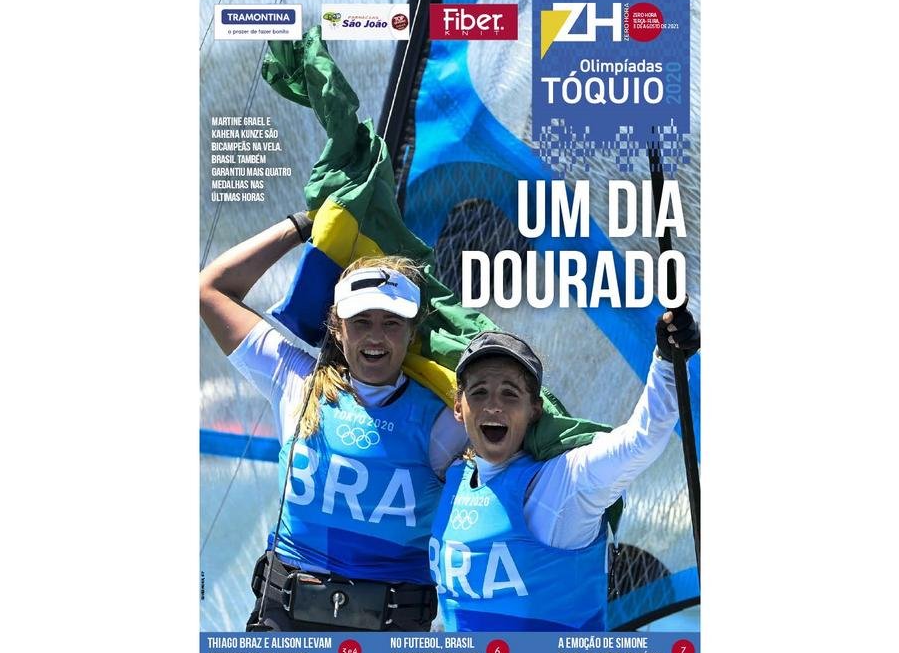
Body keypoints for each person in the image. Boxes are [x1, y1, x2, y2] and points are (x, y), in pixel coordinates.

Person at [199, 213, 466, 631]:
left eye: (391, 323)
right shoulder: (295, 381)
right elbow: (210, 291)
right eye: (361, 322)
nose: (375, 336)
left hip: (389, 634)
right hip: (286, 622)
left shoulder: (448, 417)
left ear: (412, 333)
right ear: (337, 329)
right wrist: (309, 222)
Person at [429, 303, 700, 631]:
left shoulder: (561, 485)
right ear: (459, 407)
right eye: (479, 392)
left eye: (510, 394)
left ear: (534, 410)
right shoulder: (452, 476)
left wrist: (667, 361)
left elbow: (642, 440)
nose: (494, 405)